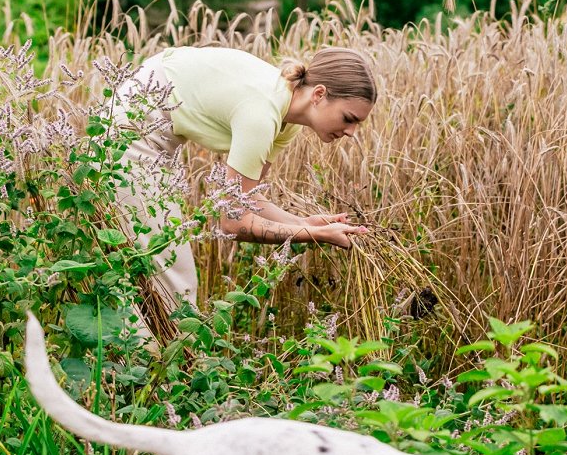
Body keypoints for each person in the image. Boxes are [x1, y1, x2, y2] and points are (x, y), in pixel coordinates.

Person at [113, 45, 376, 309]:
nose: (352, 132)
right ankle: (146, 350)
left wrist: (307, 222)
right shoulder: (262, 115)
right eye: (348, 118)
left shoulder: (287, 118)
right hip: (129, 135)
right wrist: (315, 234)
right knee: (173, 283)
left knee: (154, 277)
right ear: (319, 94)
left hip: (152, 137)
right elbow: (233, 222)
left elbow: (247, 199)